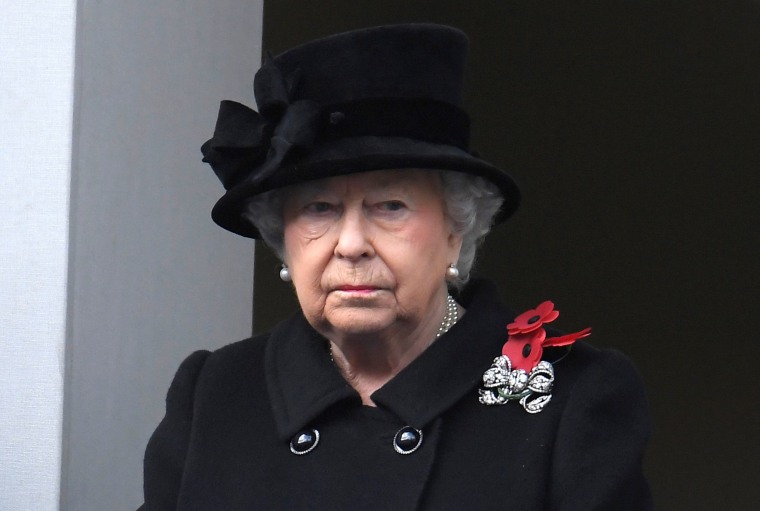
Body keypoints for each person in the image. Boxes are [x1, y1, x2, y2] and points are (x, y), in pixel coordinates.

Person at [139, 24, 652, 510]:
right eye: (319, 209)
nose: (352, 244)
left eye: (390, 207)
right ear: (285, 241)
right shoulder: (216, 393)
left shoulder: (573, 399)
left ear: (457, 228)